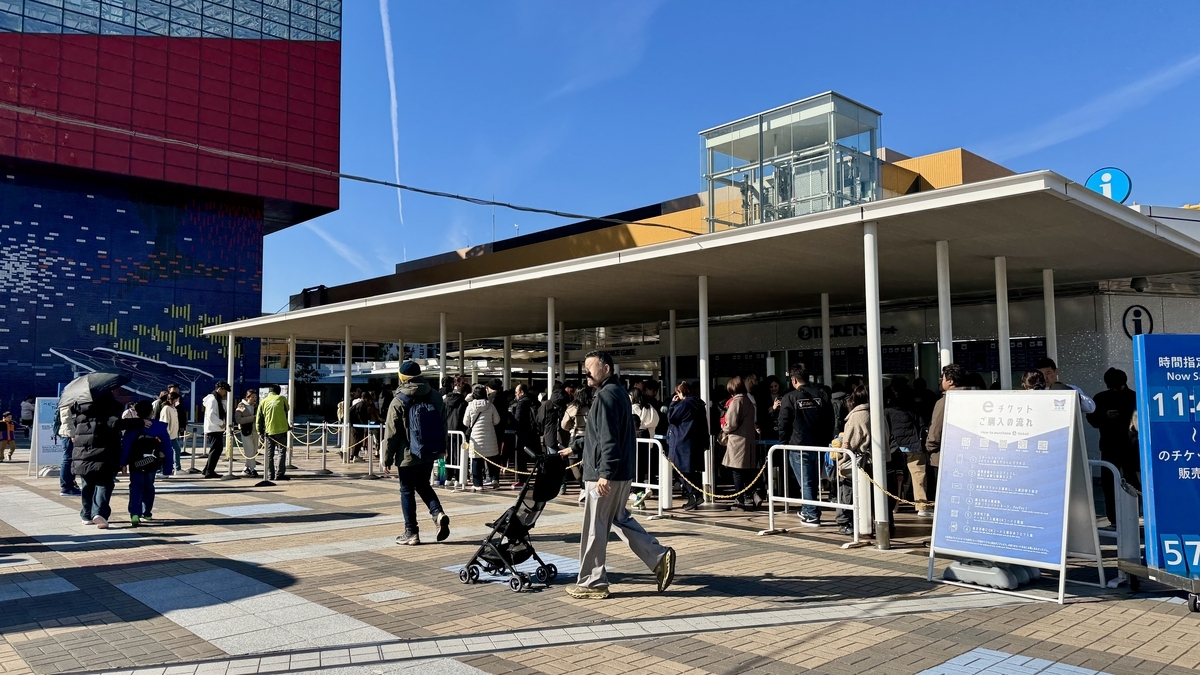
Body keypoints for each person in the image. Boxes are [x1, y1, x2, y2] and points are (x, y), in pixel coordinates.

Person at [562, 350, 675, 600]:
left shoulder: (605, 397)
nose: (587, 374)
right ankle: (658, 557)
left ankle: (593, 582)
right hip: (620, 472)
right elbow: (603, 434)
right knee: (620, 519)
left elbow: (609, 439)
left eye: (591, 368)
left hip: (605, 474)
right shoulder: (619, 394)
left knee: (595, 525)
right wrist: (576, 447)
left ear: (606, 369)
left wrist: (604, 473)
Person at [383, 361, 451, 546]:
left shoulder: (398, 400)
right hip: (429, 450)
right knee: (423, 484)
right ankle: (437, 513)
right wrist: (441, 448)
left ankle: (411, 532)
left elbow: (391, 433)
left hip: (407, 454)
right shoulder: (435, 396)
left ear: (402, 378)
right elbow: (444, 424)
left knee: (406, 490)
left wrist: (386, 458)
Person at [71, 391, 146, 528]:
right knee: (104, 484)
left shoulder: (80, 411)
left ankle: (86, 515)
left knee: (87, 485)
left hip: (82, 454)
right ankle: (99, 513)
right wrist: (141, 421)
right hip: (104, 454)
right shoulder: (108, 409)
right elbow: (117, 424)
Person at [775, 363, 834, 527]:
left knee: (806, 481)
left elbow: (783, 423)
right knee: (813, 480)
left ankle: (811, 514)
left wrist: (784, 442)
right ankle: (807, 508)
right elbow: (830, 419)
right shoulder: (821, 394)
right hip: (819, 444)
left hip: (799, 445)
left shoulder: (790, 397)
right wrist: (826, 439)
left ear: (793, 380)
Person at [1087, 367, 1139, 527]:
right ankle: (1133, 516)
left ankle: (1115, 518)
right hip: (1131, 446)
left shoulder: (1101, 398)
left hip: (1111, 446)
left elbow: (1093, 419)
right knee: (1132, 482)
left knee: (1110, 483)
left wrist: (1104, 416)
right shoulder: (1134, 397)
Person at [121, 400, 174, 527]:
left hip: (136, 463)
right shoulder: (160, 428)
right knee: (149, 486)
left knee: (135, 487)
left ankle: (134, 513)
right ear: (152, 412)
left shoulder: (133, 428)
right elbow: (167, 448)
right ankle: (147, 513)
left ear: (137, 413)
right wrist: (168, 467)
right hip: (152, 462)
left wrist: (123, 463)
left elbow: (126, 447)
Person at [926, 363, 967, 502]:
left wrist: (930, 447)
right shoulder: (973, 399)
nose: (941, 381)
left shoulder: (943, 402)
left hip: (943, 456)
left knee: (945, 497)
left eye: (943, 378)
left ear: (950, 381)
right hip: (967, 456)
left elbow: (935, 431)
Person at [721, 376, 762, 511]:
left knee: (737, 472)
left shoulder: (736, 402)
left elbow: (731, 423)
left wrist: (724, 429)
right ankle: (754, 494)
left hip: (737, 442)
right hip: (749, 440)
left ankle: (739, 501)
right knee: (748, 472)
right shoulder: (749, 401)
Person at [836, 386, 871, 536]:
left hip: (855, 461)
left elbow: (850, 442)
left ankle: (845, 522)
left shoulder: (857, 416)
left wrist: (842, 458)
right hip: (868, 461)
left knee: (847, 492)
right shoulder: (875, 413)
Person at [667, 382, 707, 511]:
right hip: (694, 442)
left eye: (678, 392)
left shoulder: (685, 405)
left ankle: (694, 495)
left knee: (680, 471)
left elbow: (672, 418)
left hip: (681, 442)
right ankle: (693, 497)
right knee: (690, 472)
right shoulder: (699, 404)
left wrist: (673, 404)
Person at [884, 386, 923, 517]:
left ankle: (895, 506)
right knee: (918, 476)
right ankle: (922, 506)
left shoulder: (887, 411)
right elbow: (920, 424)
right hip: (913, 445)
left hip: (896, 447)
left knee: (897, 477)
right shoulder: (912, 409)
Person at [462, 384, 501, 491]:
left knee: (476, 461)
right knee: (492, 459)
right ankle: (494, 479)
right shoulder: (491, 405)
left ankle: (478, 484)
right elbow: (497, 420)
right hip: (490, 438)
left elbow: (465, 422)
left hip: (476, 439)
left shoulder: (470, 406)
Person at [561, 385, 592, 496]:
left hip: (575, 436)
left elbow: (564, 424)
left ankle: (582, 485)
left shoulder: (573, 406)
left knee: (572, 463)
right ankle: (586, 485)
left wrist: (571, 427)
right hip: (589, 437)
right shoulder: (591, 405)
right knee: (588, 462)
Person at [256, 384, 291, 482]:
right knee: (281, 452)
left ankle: (270, 474)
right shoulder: (281, 398)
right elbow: (287, 409)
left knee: (269, 454)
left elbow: (259, 418)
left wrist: (259, 431)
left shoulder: (263, 401)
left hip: (268, 431)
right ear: (278, 391)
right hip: (281, 429)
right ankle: (279, 474)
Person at [509, 384, 538, 488]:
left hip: (523, 433)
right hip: (534, 433)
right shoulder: (534, 401)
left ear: (521, 392)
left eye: (516, 392)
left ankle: (522, 480)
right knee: (535, 456)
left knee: (521, 458)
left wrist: (510, 418)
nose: (516, 395)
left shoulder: (521, 403)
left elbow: (518, 420)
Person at [201, 381, 231, 478]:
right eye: (225, 391)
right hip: (214, 428)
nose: (225, 393)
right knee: (216, 449)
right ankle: (209, 471)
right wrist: (221, 423)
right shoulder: (213, 400)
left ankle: (207, 469)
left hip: (215, 428)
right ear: (220, 389)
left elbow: (222, 409)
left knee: (215, 449)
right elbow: (211, 415)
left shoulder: (217, 399)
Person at [234, 389, 260, 478]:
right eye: (252, 397)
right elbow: (238, 420)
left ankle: (246, 467)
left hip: (255, 430)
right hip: (246, 430)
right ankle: (252, 468)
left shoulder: (256, 406)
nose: (254, 399)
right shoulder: (241, 406)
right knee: (249, 450)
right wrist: (252, 418)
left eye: (255, 397)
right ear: (247, 397)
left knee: (254, 449)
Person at [158, 391, 183, 476]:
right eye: (177, 399)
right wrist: (166, 434)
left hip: (173, 435)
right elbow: (165, 422)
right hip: (168, 435)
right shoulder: (166, 408)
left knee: (176, 450)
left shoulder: (174, 409)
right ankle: (165, 469)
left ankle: (177, 468)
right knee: (168, 452)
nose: (178, 401)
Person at [56, 405, 80, 494]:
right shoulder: (67, 400)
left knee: (72, 459)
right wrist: (72, 434)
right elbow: (66, 419)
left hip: (71, 433)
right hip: (68, 434)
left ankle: (71, 484)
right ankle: (66, 486)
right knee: (68, 459)